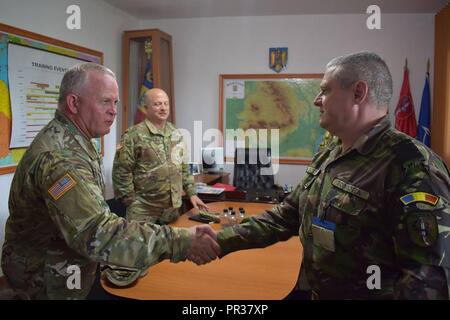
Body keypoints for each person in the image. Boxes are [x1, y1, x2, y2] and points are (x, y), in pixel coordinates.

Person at [215, 51, 450, 299]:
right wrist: (220, 240)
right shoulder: (331, 153)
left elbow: (427, 283)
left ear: (358, 93)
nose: (317, 100)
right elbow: (287, 215)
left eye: (326, 90)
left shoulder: (412, 167)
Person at [1, 63, 219, 300]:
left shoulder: (79, 140)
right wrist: (183, 241)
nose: (114, 111)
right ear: (74, 103)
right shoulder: (60, 159)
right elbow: (99, 233)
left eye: (115, 103)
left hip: (71, 268)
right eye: (105, 101)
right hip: (46, 279)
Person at [112, 88, 208, 225]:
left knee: (170, 246)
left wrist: (192, 193)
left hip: (171, 210)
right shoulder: (133, 135)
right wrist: (130, 200)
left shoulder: (175, 133)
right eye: (157, 104)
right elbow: (121, 171)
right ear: (146, 108)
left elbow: (184, 167)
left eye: (166, 104)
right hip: (144, 210)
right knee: (143, 246)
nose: (163, 108)